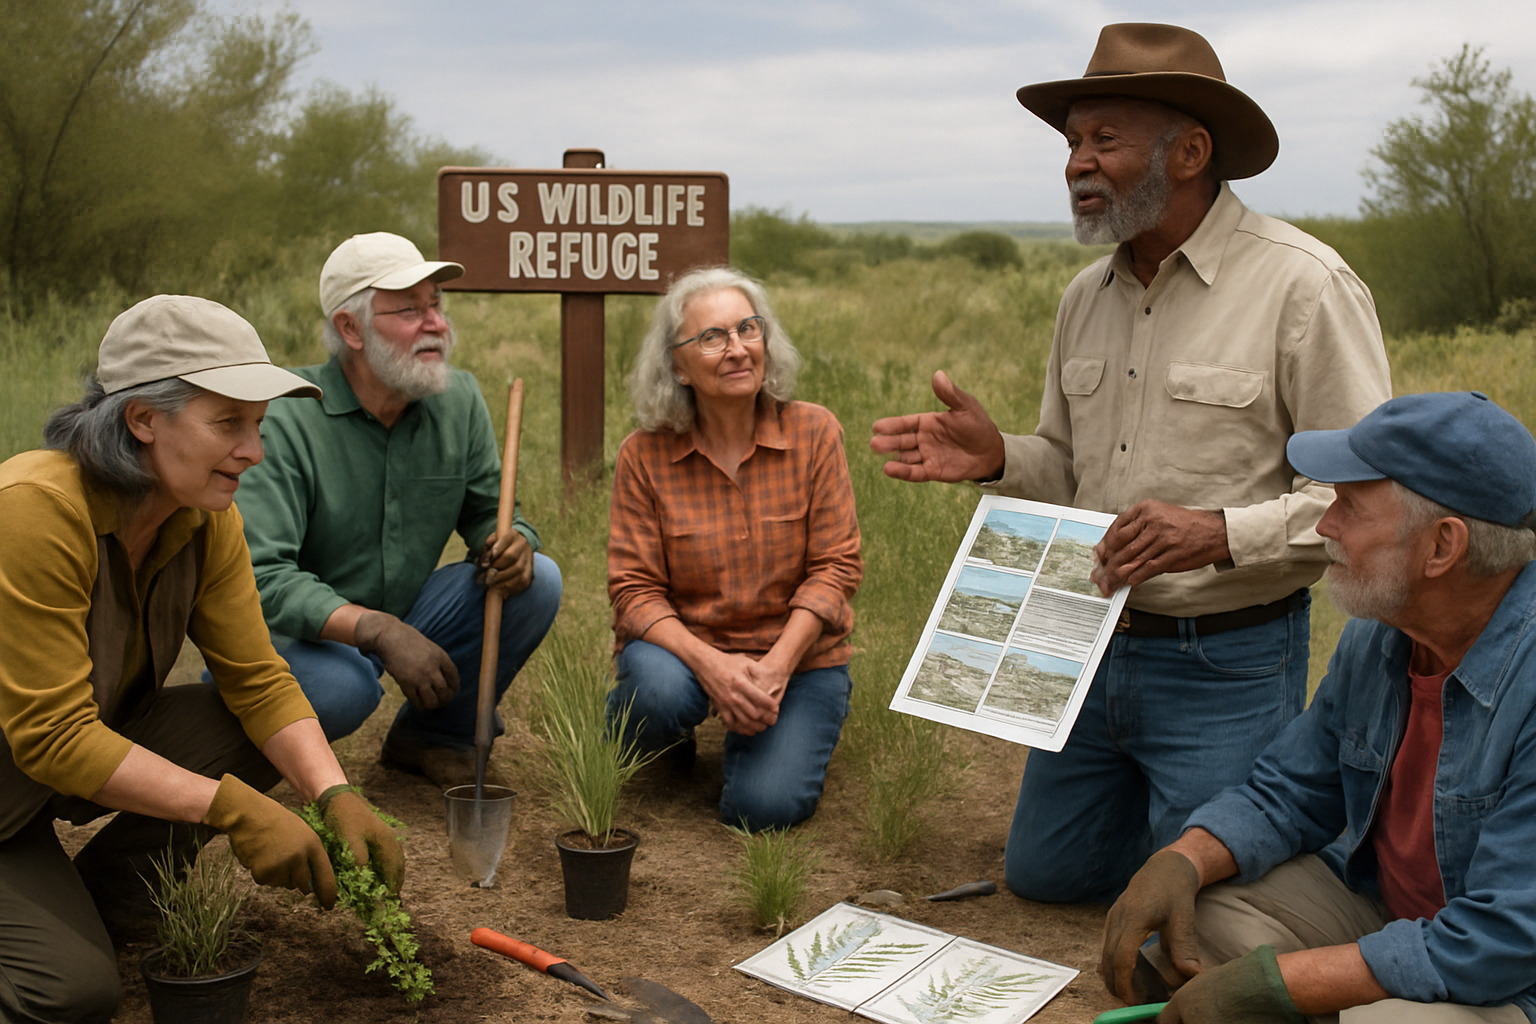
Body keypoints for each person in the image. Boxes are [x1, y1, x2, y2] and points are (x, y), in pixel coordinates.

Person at [869, 22, 1392, 902]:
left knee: (1208, 902)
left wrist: (1220, 534)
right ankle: (1192, 828)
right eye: (1073, 141)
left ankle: (1298, 845)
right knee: (1044, 878)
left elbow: (1369, 501)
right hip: (1086, 646)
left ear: (1189, 151)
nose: (1076, 162)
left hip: (1225, 660)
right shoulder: (1086, 296)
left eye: (1104, 138)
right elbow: (1073, 469)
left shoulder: (1304, 286)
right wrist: (1002, 458)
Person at [0, 295, 404, 1024]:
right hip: (14, 777)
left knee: (233, 722)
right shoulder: (34, 510)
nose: (254, 450)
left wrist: (334, 794)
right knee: (68, 993)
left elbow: (259, 682)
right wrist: (227, 806)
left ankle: (109, 899)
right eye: (228, 423)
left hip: (40, 779)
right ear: (143, 419)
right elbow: (52, 736)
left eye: (257, 425)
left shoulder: (201, 514)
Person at [1100, 390, 1536, 1024]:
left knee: (1388, 1021)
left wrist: (1285, 985)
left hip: (1509, 973)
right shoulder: (1386, 632)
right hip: (1391, 916)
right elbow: (1289, 790)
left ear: (1442, 547)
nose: (1325, 525)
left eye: (1351, 506)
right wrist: (1182, 860)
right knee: (1199, 912)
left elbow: (1504, 937)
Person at [234, 232, 561, 790]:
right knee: (345, 690)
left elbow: (489, 512)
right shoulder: (284, 417)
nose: (436, 323)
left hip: (401, 619)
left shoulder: (458, 401)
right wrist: (377, 630)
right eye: (409, 310)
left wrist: (514, 542)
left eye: (435, 305)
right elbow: (261, 579)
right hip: (289, 641)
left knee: (538, 581)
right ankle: (234, 745)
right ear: (349, 329)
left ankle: (433, 736)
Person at [606, 266, 862, 831]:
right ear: (678, 366)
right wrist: (714, 668)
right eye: (712, 337)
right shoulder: (643, 455)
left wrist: (773, 670)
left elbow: (835, 569)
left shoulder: (815, 433)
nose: (738, 349)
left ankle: (765, 731)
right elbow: (633, 590)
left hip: (798, 662)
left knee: (763, 810)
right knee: (659, 693)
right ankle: (667, 738)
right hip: (687, 656)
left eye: (749, 329)